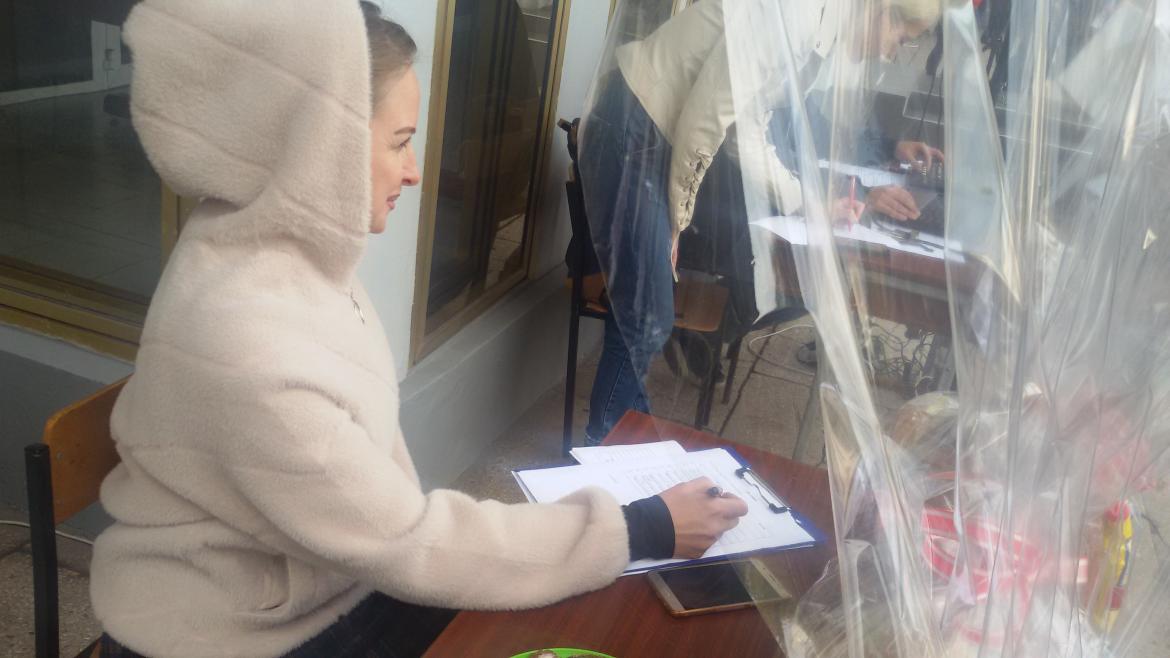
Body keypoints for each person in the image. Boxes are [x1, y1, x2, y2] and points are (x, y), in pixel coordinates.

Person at [90, 3, 748, 657]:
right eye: (399, 141)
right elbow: (408, 544)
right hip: (230, 636)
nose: (413, 171)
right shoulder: (250, 342)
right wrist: (637, 528)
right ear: (319, 142)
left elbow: (385, 526)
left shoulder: (272, 249)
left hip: (313, 583)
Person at [578, 0, 940, 443]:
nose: (890, 53)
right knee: (647, 314)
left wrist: (808, 203)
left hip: (652, 134)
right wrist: (678, 219)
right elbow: (702, 124)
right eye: (900, 39)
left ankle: (620, 444)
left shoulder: (813, 30)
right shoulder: (794, 16)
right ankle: (601, 448)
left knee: (646, 314)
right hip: (634, 126)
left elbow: (747, 133)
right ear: (882, 9)